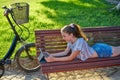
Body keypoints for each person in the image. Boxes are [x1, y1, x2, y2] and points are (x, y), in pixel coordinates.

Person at [45, 23, 120, 62]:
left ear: (71, 35)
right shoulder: (70, 41)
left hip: (101, 51)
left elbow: (70, 58)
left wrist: (53, 59)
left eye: (64, 36)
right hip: (96, 48)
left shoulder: (79, 42)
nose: (63, 38)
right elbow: (65, 52)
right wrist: (51, 55)